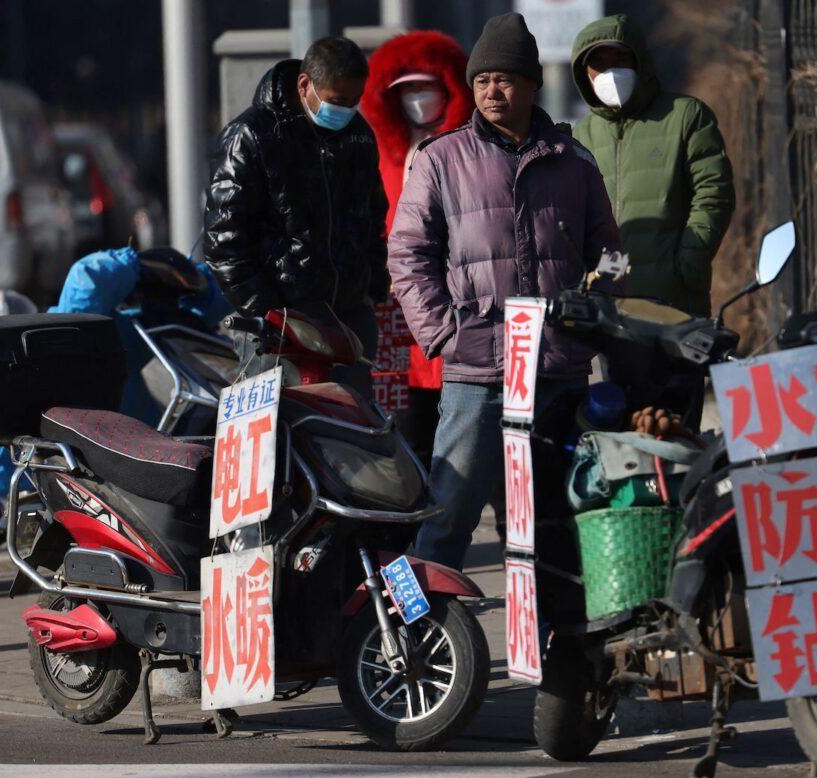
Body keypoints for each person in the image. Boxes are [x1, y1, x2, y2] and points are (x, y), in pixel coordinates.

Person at [387, 12, 620, 570]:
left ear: (533, 84)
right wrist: (444, 333)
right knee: (446, 517)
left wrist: (592, 318)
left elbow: (612, 255)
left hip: (556, 370)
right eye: (482, 80)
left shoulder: (574, 162)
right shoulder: (440, 161)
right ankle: (410, 643)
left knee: (559, 519)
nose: (493, 91)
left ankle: (562, 650)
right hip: (478, 371)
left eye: (506, 79)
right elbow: (407, 255)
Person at [203, 36, 388, 393]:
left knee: (349, 435)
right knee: (276, 437)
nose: (347, 110)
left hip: (347, 317)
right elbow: (224, 239)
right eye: (338, 101)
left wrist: (372, 282)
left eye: (354, 101)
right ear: (305, 85)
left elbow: (372, 215)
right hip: (280, 324)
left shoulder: (358, 137)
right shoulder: (252, 136)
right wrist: (267, 312)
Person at [570, 14, 735, 319]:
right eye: (600, 63)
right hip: (609, 304)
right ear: (585, 73)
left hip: (674, 300)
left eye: (620, 58)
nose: (611, 72)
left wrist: (689, 261)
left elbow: (714, 193)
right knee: (619, 369)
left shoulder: (686, 116)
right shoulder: (583, 134)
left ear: (640, 61)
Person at [361, 30, 473, 466]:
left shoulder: (468, 151)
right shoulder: (382, 153)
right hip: (392, 308)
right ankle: (411, 523)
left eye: (425, 88)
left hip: (450, 300)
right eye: (406, 91)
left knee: (459, 413)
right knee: (401, 423)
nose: (417, 99)